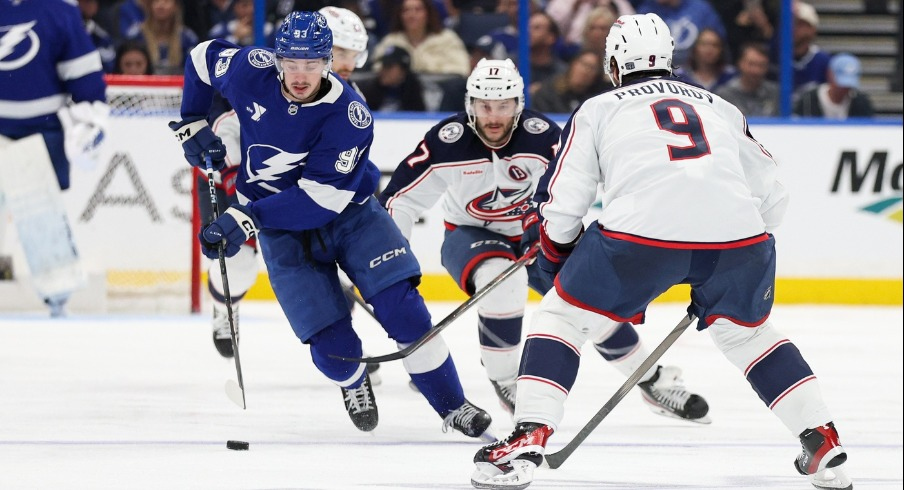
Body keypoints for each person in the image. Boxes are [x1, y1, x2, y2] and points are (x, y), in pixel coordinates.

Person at [470, 13, 852, 490]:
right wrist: (726, 254)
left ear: (613, 62)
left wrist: (555, 256)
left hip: (639, 240)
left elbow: (565, 202)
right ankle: (821, 440)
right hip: (742, 243)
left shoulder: (599, 108)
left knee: (563, 317)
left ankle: (529, 435)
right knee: (749, 336)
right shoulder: (719, 105)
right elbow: (773, 195)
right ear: (670, 59)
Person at [169, 11, 494, 438]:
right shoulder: (250, 69)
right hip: (282, 231)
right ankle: (353, 382)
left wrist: (245, 217)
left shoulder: (348, 115)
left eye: (312, 63)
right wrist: (192, 121)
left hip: (352, 217)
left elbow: (319, 201)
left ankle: (453, 406)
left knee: (405, 311)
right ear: (276, 58)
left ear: (327, 63)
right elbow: (199, 58)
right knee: (333, 352)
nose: (301, 75)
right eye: (292, 62)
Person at [380, 58, 710, 425]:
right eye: (484, 106)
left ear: (518, 105)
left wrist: (547, 229)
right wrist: (393, 260)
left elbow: (571, 189)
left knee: (586, 300)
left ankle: (648, 380)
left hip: (531, 233)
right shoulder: (448, 142)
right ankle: (507, 381)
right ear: (470, 105)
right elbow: (399, 201)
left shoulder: (541, 135)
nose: (493, 117)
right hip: (469, 235)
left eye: (503, 106)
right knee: (500, 279)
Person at [0, 0, 109, 317]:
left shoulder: (58, 10)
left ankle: (57, 297)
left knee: (41, 218)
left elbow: (84, 74)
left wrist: (91, 116)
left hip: (40, 130)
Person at [794, 53, 874, 119]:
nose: (845, 89)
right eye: (841, 83)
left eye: (849, 85)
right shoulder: (808, 100)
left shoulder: (861, 103)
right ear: (830, 74)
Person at [716, 42, 779, 117]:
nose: (756, 71)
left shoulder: (776, 94)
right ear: (740, 63)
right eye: (751, 64)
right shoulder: (724, 96)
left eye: (761, 65)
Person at [357, 46, 427, 112]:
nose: (383, 71)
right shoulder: (370, 91)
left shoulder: (413, 91)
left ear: (403, 71)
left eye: (389, 66)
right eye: (383, 66)